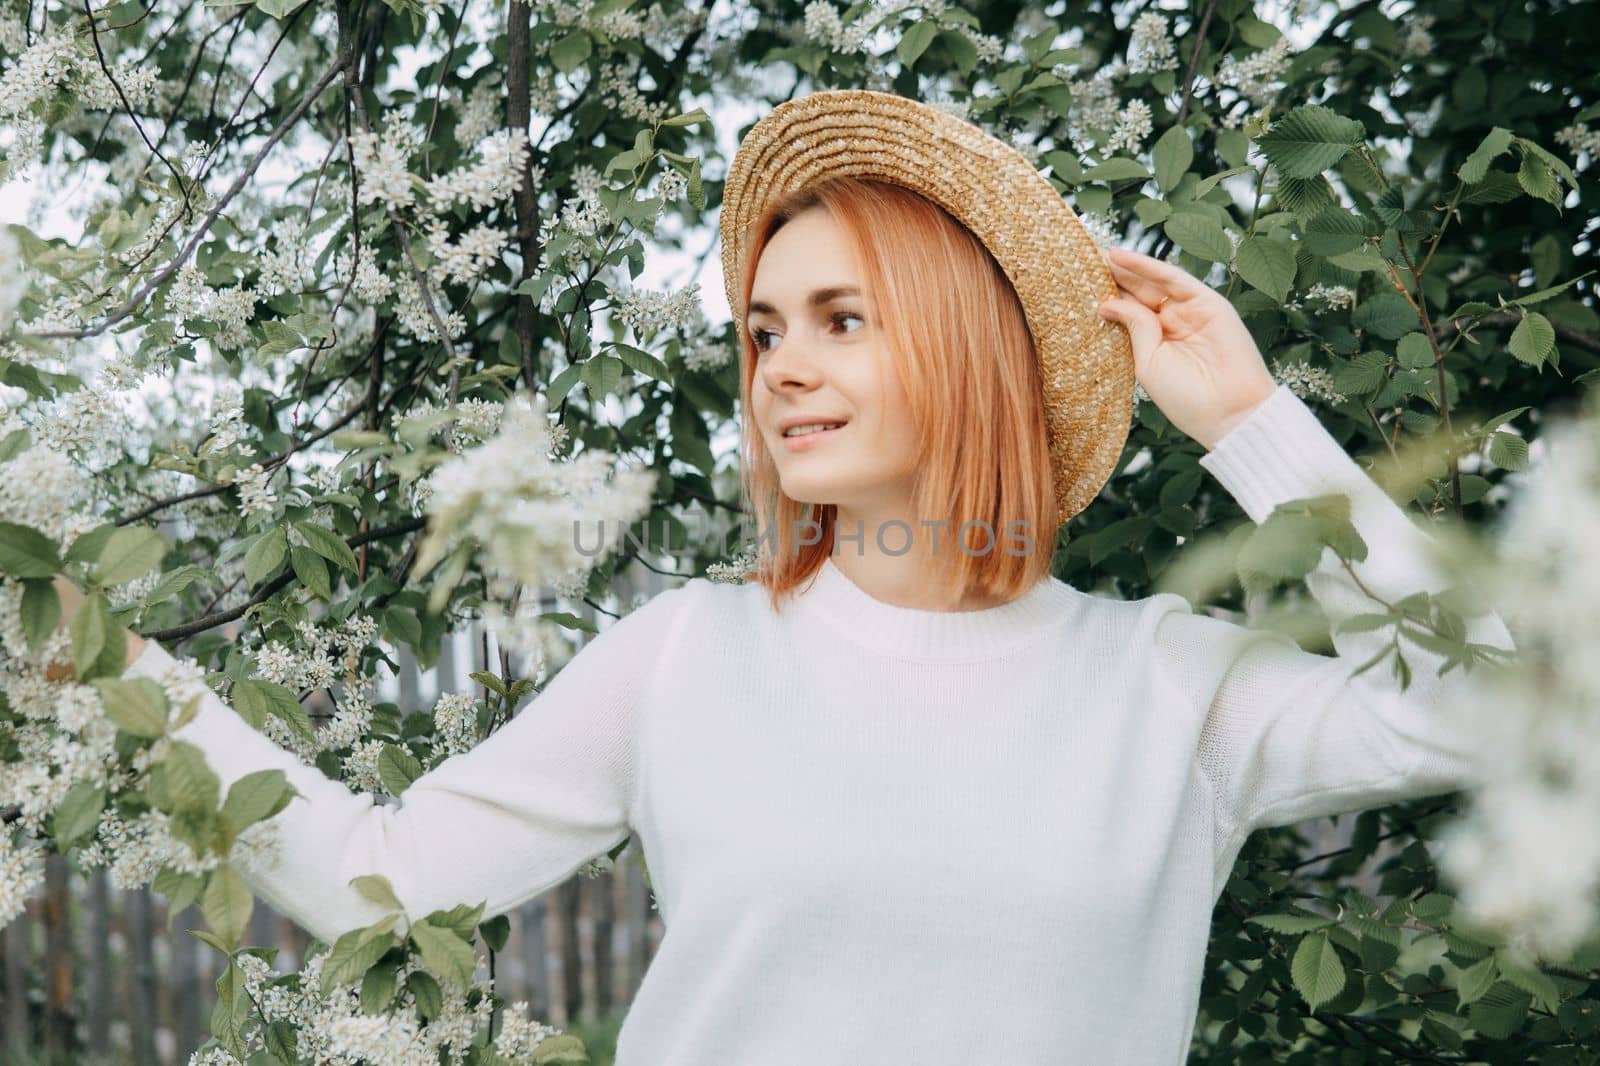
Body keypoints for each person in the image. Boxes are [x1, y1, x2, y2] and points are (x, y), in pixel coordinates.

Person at [57, 91, 1516, 1064]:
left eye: (839, 319)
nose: (783, 371)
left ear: (965, 345)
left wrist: (1251, 425)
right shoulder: (688, 654)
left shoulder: (1168, 685)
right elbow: (381, 879)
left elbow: (1500, 708)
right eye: (762, 332)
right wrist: (92, 644)